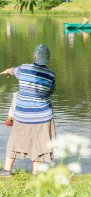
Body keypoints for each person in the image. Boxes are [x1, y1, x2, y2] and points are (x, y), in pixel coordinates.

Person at [0, 44, 56, 176]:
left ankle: (7, 171)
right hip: (43, 116)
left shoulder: (24, 68)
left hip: (23, 115)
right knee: (38, 144)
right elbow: (51, 91)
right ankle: (35, 173)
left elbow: (12, 71)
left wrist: (6, 72)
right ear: (47, 59)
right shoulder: (51, 75)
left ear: (35, 56)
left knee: (14, 141)